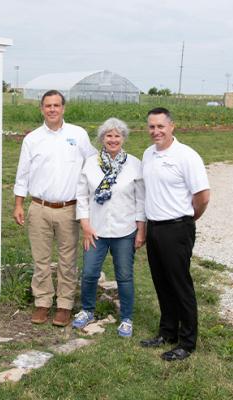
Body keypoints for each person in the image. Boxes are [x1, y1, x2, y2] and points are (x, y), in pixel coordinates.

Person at [13, 89, 96, 327]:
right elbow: (22, 174)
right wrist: (19, 204)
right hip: (39, 208)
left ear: (63, 108)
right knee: (41, 258)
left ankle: (65, 305)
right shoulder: (32, 139)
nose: (52, 110)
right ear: (41, 109)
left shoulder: (78, 135)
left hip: (69, 209)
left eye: (56, 105)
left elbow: (92, 164)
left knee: (67, 260)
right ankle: (42, 301)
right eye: (47, 106)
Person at [139, 107, 210, 361]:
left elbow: (202, 196)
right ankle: (167, 332)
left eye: (160, 126)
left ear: (172, 126)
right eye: (151, 127)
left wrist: (189, 219)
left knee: (180, 285)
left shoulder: (186, 156)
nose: (156, 131)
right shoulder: (148, 154)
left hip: (177, 228)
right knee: (161, 282)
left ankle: (187, 342)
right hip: (155, 228)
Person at [71, 118, 146, 337]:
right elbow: (82, 196)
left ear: (123, 138)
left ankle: (126, 318)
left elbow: (141, 200)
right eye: (108, 135)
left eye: (117, 136)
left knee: (124, 276)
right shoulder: (91, 163)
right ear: (102, 138)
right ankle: (87, 310)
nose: (113, 140)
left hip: (125, 230)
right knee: (89, 273)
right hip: (95, 231)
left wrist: (141, 230)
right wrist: (85, 225)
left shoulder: (134, 164)